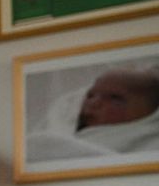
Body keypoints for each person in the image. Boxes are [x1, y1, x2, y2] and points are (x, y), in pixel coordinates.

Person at [27, 65, 159, 162]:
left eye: (115, 98)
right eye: (90, 95)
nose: (94, 103)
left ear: (149, 114)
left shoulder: (146, 138)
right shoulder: (67, 128)